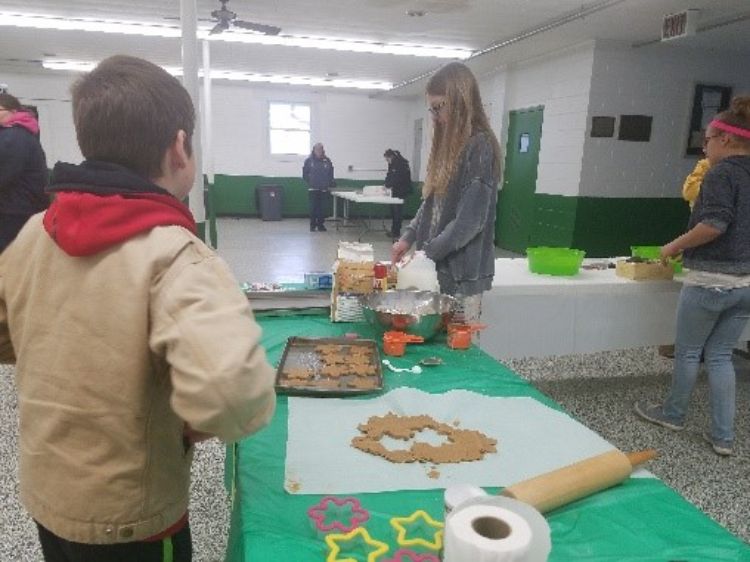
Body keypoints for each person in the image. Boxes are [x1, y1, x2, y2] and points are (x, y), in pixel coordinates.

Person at [0, 55, 276, 561]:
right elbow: (233, 393)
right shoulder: (176, 255)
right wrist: (197, 421)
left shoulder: (32, 236)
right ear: (179, 148)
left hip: (49, 497)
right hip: (133, 521)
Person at [634, 95, 750, 457]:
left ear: (726, 140)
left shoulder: (721, 174)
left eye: (708, 140)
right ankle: (723, 436)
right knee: (719, 356)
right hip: (745, 284)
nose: (705, 148)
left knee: (687, 352)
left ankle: (672, 413)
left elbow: (714, 224)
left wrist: (672, 247)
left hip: (710, 282)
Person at [391, 62, 501, 324]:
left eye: (439, 107)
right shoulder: (447, 144)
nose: (434, 116)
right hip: (437, 270)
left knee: (457, 351)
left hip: (462, 278)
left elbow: (469, 223)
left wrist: (426, 253)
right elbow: (431, 202)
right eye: (432, 108)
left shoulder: (480, 147)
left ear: (461, 101)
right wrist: (408, 237)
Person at [0, 92, 49, 253]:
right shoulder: (23, 134)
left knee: (8, 260)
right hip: (25, 209)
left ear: (13, 112)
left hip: (14, 211)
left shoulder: (13, 136)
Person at [302, 142, 335, 232]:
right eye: (317, 149)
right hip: (313, 189)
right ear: (314, 150)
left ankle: (320, 225)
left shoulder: (327, 161)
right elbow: (304, 174)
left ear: (323, 150)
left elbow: (331, 174)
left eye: (321, 149)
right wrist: (311, 182)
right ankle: (312, 225)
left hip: (324, 189)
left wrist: (329, 182)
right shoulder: (309, 161)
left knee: (322, 208)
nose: (319, 151)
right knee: (313, 208)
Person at [383, 148, 412, 239]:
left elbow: (398, 178)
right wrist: (386, 184)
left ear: (391, 156)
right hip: (395, 190)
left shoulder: (401, 164)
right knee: (394, 211)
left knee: (397, 212)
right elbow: (389, 175)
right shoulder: (393, 163)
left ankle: (396, 232)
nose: (387, 161)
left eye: (387, 159)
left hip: (401, 191)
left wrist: (388, 185)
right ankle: (394, 231)